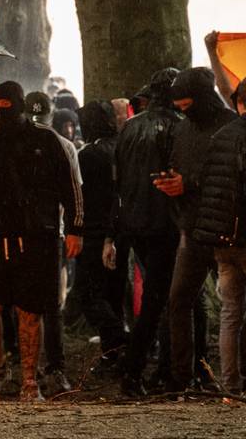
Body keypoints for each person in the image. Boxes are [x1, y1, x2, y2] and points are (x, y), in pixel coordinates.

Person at [0, 81, 83, 402]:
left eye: (7, 106)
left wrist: (75, 229)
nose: (3, 112)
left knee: (30, 309)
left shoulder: (47, 141)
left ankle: (29, 377)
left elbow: (70, 187)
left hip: (35, 235)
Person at [161, 68, 237, 391]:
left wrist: (187, 185)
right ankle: (184, 377)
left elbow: (230, 178)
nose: (181, 110)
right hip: (191, 230)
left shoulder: (232, 127)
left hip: (227, 232)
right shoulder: (183, 130)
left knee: (233, 307)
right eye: (177, 105)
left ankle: (233, 376)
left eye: (187, 104)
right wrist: (172, 184)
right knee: (179, 301)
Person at [108, 68, 182, 396]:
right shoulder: (178, 127)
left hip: (135, 223)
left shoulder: (130, 127)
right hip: (165, 223)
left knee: (158, 297)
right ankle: (139, 370)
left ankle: (150, 368)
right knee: (161, 300)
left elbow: (119, 177)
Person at [24, 91, 85, 395]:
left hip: (50, 232)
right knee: (43, 303)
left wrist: (73, 228)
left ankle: (51, 367)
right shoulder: (20, 144)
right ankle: (34, 368)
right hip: (40, 231)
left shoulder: (63, 146)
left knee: (48, 303)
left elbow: (74, 192)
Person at [191, 78, 246, 392]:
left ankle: (230, 385)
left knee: (230, 313)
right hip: (244, 237)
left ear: (239, 102)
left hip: (222, 240)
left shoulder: (220, 137)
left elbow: (206, 186)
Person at [71, 100, 129, 374]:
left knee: (88, 292)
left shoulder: (88, 155)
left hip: (94, 232)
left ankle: (117, 338)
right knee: (113, 292)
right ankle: (113, 352)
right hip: (119, 230)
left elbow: (79, 197)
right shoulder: (121, 148)